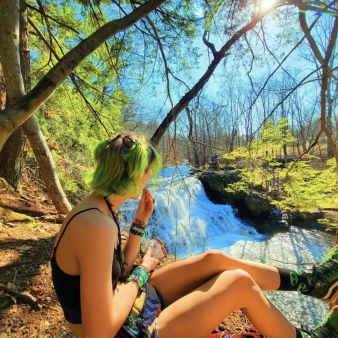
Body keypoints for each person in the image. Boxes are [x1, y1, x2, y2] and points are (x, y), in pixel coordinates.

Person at [51, 131, 338, 338]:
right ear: (131, 174)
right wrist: (144, 270)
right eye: (148, 171)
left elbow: (117, 273)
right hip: (127, 330)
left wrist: (138, 225)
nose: (150, 177)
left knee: (214, 259)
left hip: (129, 307)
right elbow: (99, 332)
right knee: (237, 283)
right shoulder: (95, 226)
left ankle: (313, 283)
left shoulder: (99, 210)